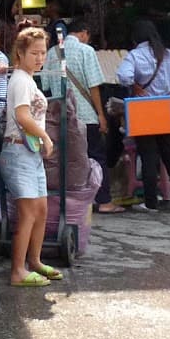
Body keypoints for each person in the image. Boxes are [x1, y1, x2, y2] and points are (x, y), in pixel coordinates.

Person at [1, 26, 60, 287]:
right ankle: (18, 271)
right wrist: (46, 137)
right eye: (34, 53)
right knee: (27, 212)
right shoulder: (21, 80)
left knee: (42, 209)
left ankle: (34, 261)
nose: (39, 58)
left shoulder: (28, 79)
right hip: (17, 151)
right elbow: (22, 116)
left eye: (43, 53)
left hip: (29, 151)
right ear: (20, 53)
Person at [116, 20, 170, 212]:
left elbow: (123, 77)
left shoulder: (134, 56)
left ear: (136, 38)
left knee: (148, 156)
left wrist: (135, 85)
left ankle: (151, 203)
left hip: (143, 110)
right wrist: (167, 98)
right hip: (165, 110)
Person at [55, 18, 117, 214]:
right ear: (84, 33)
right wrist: (101, 115)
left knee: (68, 161)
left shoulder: (50, 53)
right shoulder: (86, 51)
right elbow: (94, 86)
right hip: (85, 116)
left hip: (61, 118)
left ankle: (74, 203)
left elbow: (48, 87)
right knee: (96, 157)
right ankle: (104, 201)